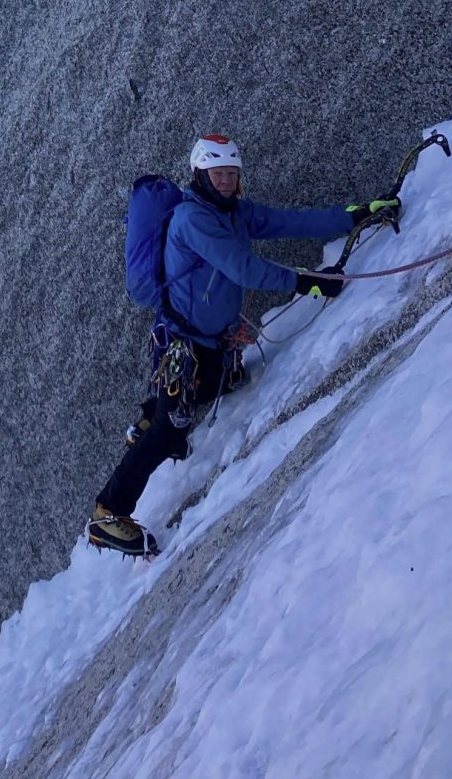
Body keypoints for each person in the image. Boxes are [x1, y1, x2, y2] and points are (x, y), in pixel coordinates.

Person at [89, 132, 401, 556]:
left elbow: (290, 222)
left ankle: (148, 418)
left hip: (210, 343)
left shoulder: (233, 212)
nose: (225, 181)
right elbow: (244, 269)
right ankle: (108, 513)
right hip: (185, 345)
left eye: (231, 174)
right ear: (200, 175)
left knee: (220, 383)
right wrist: (308, 282)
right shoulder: (193, 220)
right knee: (170, 430)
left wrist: (356, 215)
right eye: (217, 174)